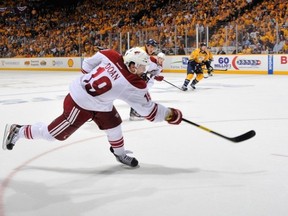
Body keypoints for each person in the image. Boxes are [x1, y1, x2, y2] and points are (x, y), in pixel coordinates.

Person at [2, 47, 182, 168]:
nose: (145, 70)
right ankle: (18, 131)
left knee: (114, 126)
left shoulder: (110, 54)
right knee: (53, 135)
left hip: (98, 102)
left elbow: (87, 65)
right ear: (133, 66)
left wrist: (96, 87)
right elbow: (149, 112)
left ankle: (119, 154)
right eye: (142, 67)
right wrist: (170, 115)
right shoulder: (132, 84)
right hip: (79, 104)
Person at [129, 39, 159, 121]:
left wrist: (149, 74)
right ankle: (134, 113)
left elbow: (144, 67)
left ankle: (135, 111)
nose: (152, 49)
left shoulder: (143, 52)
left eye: (154, 48)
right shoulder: (141, 52)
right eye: (151, 47)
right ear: (147, 45)